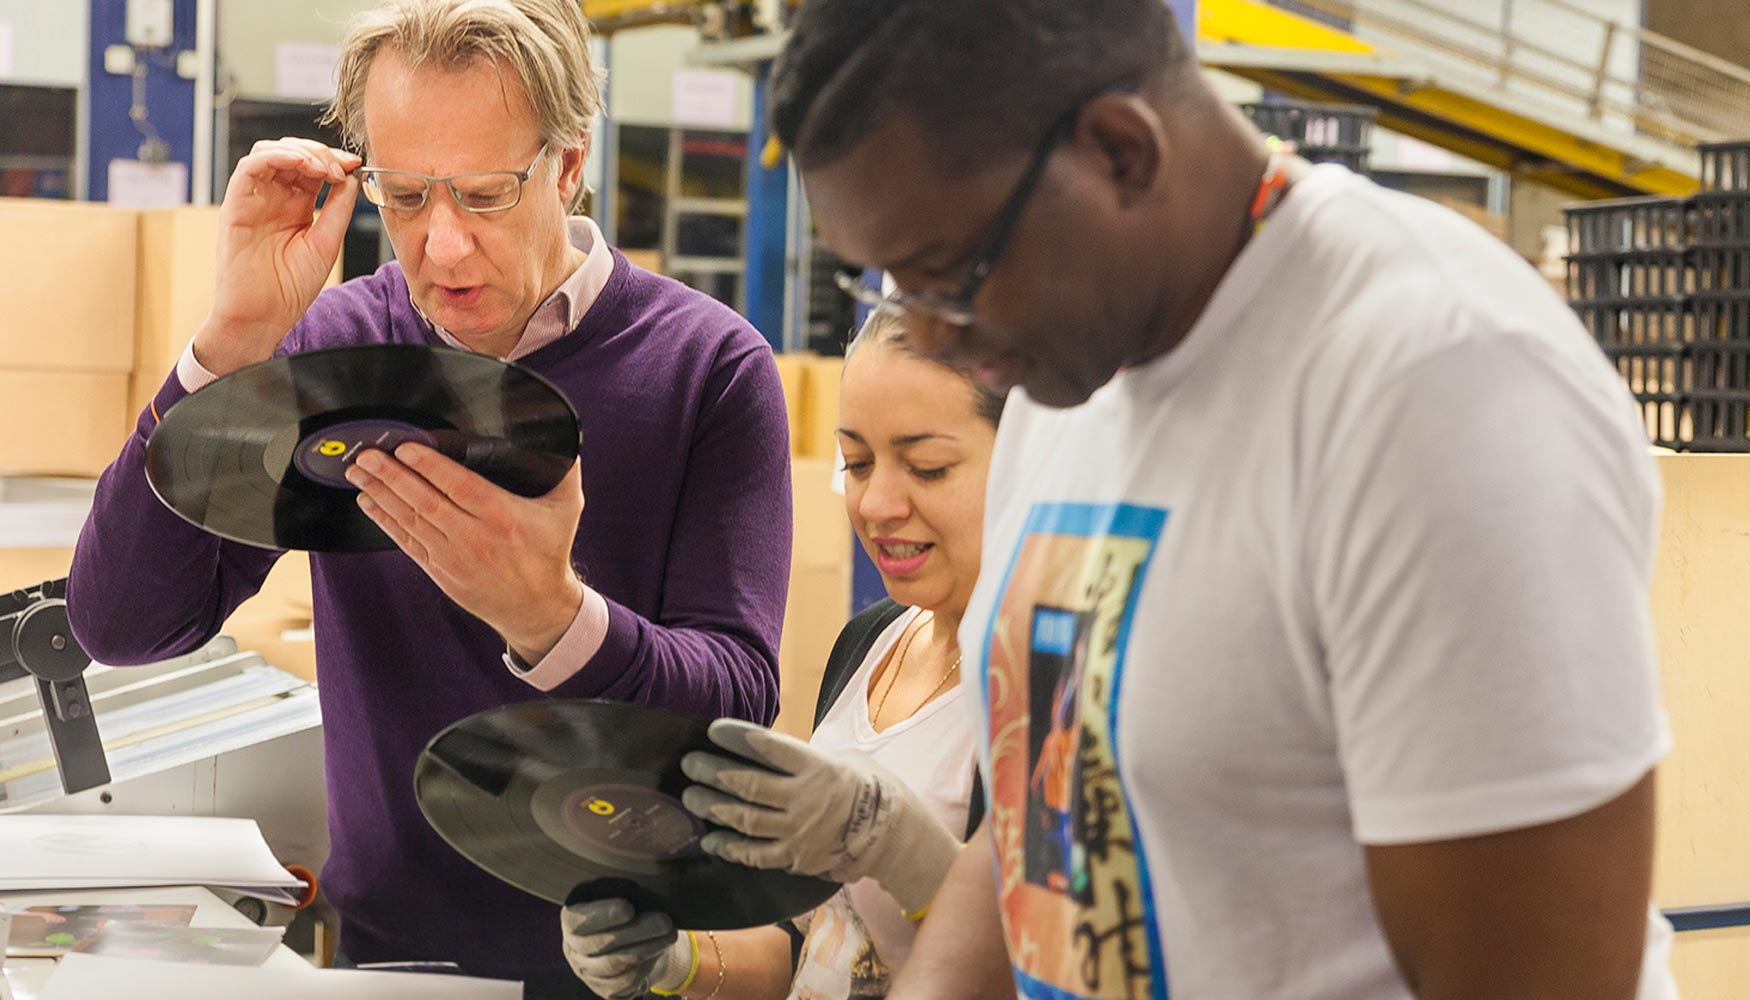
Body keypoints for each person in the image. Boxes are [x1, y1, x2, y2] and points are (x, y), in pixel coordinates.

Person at [761, 2, 1679, 1000]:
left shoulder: (1438, 390)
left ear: (1120, 150)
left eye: (957, 278)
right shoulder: (1067, 376)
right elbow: (1033, 834)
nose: (935, 344)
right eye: (902, 284)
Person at [65, 1, 790, 994]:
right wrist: (230, 344)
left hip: (642, 965)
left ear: (570, 163)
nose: (441, 247)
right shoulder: (336, 355)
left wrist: (551, 616)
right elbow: (125, 622)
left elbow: (740, 707)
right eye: (403, 195)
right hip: (393, 960)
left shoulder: (706, 368)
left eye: (485, 195)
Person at [559, 309, 1004, 1000]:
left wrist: (902, 848)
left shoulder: (1038, 691)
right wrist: (680, 963)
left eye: (927, 467)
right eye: (856, 463)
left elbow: (1036, 970)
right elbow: (815, 944)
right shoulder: (873, 643)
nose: (878, 503)